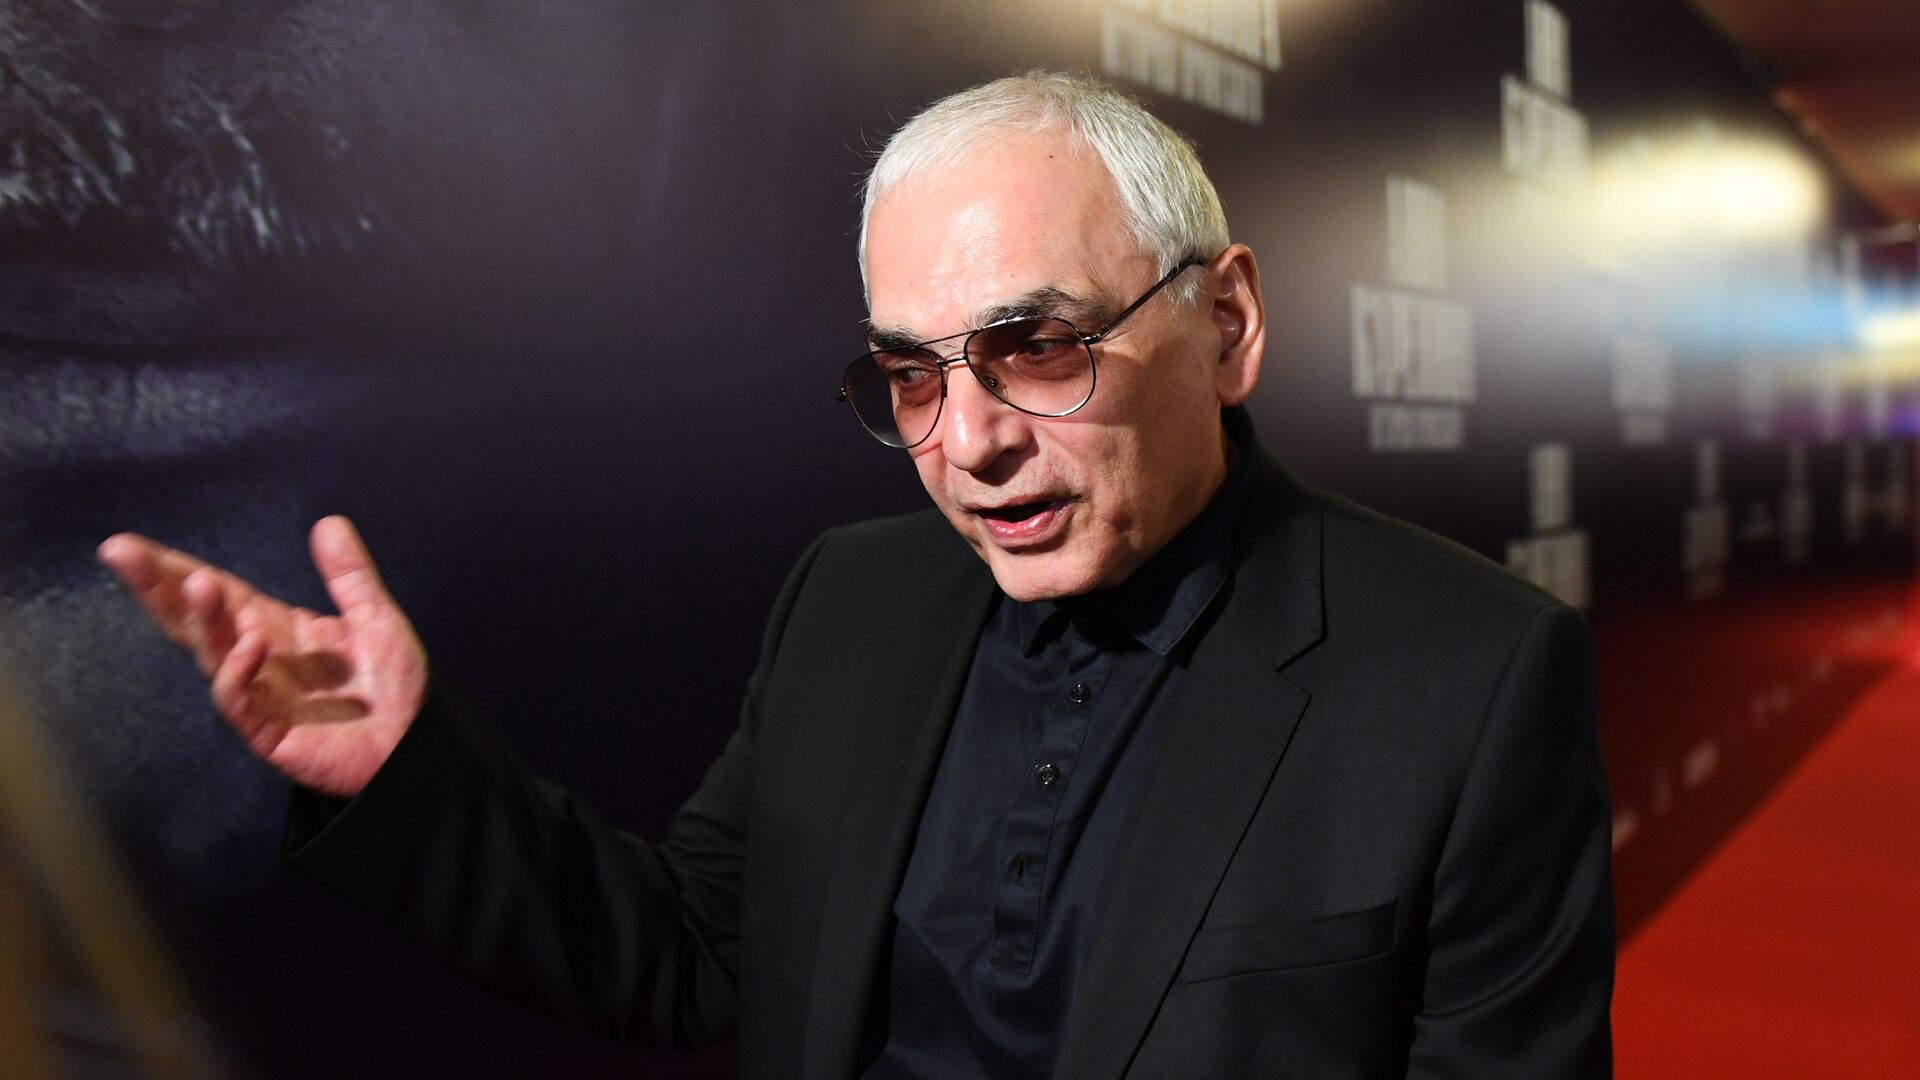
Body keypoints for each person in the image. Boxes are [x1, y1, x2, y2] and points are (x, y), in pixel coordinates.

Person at [97, 72, 1614, 1078]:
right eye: (912, 375)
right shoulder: (854, 597)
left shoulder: (1467, 678)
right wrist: (403, 776)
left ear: (1225, 325)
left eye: (1039, 347)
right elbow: (695, 956)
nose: (973, 443)